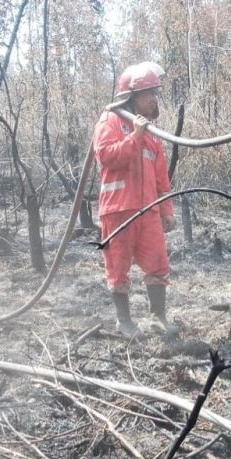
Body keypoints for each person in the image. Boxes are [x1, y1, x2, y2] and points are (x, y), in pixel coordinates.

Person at [92, 62, 178, 338]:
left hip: (148, 212)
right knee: (118, 267)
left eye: (155, 93)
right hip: (118, 210)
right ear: (132, 96)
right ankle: (124, 322)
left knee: (158, 262)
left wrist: (166, 210)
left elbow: (161, 178)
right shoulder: (111, 120)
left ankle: (158, 318)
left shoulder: (152, 133)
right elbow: (107, 156)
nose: (153, 99)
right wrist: (135, 138)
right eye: (147, 94)